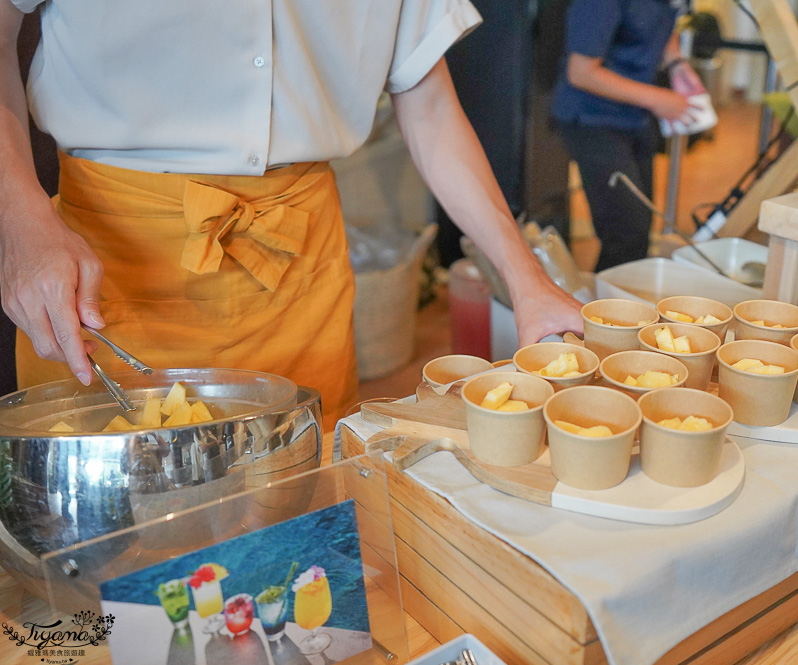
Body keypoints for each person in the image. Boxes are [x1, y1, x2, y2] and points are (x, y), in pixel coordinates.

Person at [0, 0, 584, 426]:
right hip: (109, 272)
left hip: (298, 279)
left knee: (293, 542)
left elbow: (429, 108)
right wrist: (22, 220)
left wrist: (526, 279)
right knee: (118, 567)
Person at [552, 0, 706, 272]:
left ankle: (619, 307)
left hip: (634, 117)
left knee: (640, 229)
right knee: (626, 235)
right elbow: (581, 72)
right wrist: (658, 99)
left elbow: (664, 24)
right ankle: (603, 313)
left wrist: (676, 63)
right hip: (591, 118)